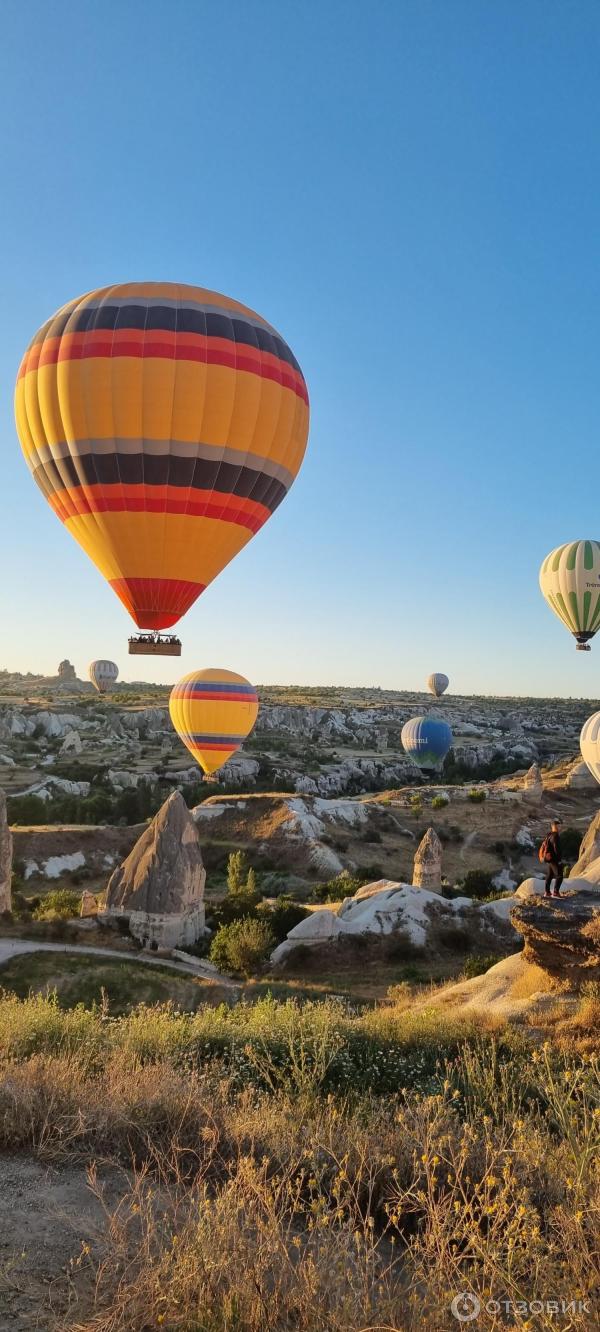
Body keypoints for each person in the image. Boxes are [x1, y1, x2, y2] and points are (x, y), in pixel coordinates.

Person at [543, 819, 563, 897]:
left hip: (549, 859)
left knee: (550, 875)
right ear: (553, 826)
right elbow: (556, 849)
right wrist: (559, 860)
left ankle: (547, 892)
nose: (559, 827)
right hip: (554, 859)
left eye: (559, 825)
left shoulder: (549, 834)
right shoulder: (555, 836)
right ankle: (556, 892)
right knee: (559, 875)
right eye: (557, 825)